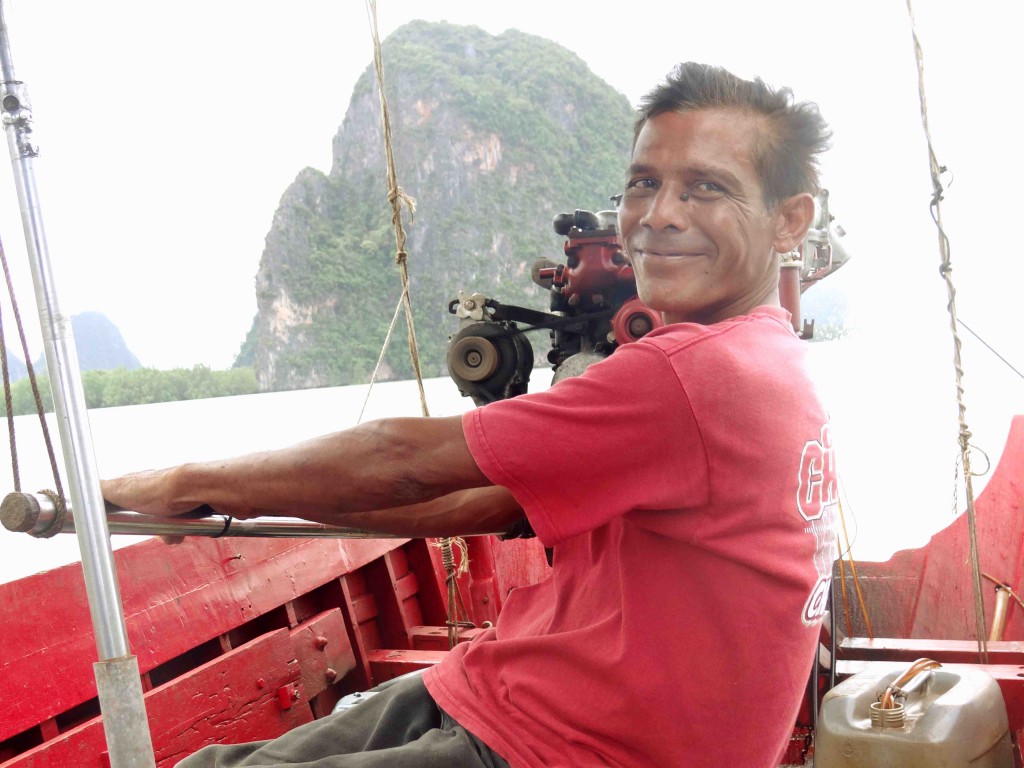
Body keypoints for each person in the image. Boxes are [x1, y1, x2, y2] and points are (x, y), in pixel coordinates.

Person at [102, 61, 838, 767]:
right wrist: (267, 506)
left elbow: (403, 460)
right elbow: (483, 497)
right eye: (643, 183)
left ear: (788, 221)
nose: (659, 216)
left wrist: (189, 482)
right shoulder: (765, 352)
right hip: (514, 695)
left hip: (577, 748)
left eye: (706, 188)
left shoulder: (695, 372)